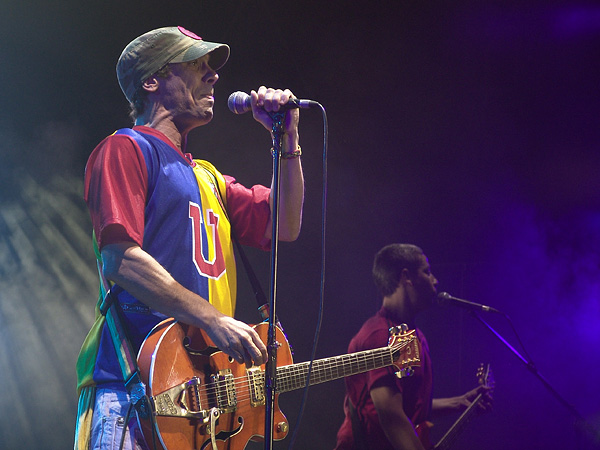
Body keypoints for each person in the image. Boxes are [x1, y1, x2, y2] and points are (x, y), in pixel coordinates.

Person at [73, 26, 305, 450]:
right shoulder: (125, 148)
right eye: (196, 66)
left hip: (199, 401)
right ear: (151, 81)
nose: (213, 76)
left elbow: (284, 223)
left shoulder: (208, 177)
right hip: (133, 392)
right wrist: (213, 318)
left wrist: (287, 140)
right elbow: (120, 259)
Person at [334, 244, 492, 450]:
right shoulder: (380, 335)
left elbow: (407, 405)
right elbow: (392, 418)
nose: (435, 280)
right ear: (406, 277)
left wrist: (460, 403)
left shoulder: (407, 334)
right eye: (427, 272)